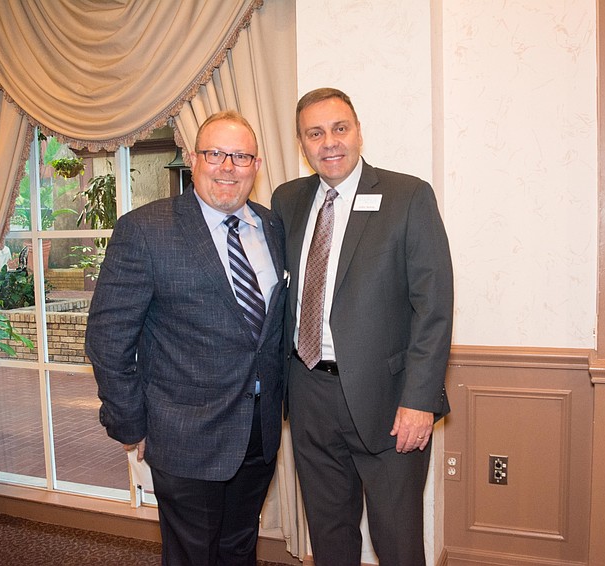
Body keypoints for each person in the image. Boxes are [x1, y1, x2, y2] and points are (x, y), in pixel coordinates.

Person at [85, 110, 286, 566]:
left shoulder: (271, 227)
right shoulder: (144, 230)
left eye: (240, 156)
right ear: (194, 160)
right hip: (184, 434)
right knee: (192, 555)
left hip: (258, 430)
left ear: (256, 165)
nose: (228, 167)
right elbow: (107, 339)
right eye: (216, 154)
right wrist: (130, 422)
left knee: (239, 547)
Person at [271, 88, 454, 565]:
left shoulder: (407, 196)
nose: (329, 142)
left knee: (397, 544)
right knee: (330, 540)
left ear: (357, 131)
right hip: (308, 393)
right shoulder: (286, 200)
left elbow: (433, 308)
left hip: (390, 401)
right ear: (302, 143)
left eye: (339, 128)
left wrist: (419, 401)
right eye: (315, 133)